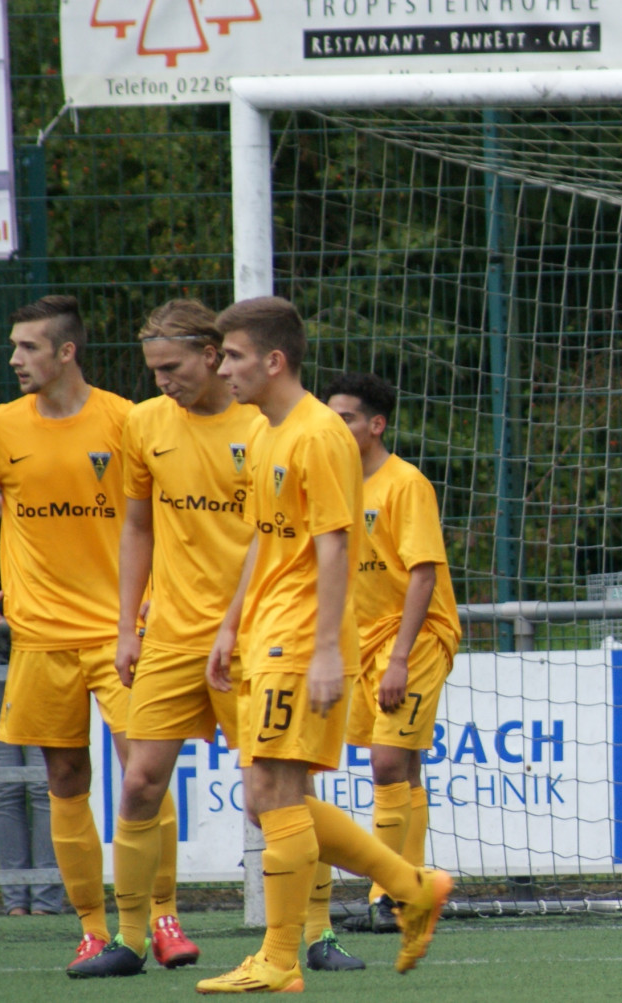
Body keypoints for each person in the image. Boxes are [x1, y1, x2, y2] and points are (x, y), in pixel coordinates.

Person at [68, 299, 366, 978]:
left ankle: (317, 932)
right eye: (153, 369)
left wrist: (266, 629)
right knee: (139, 783)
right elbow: (136, 525)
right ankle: (132, 937)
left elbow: (293, 536)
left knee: (277, 797)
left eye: (173, 366)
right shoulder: (145, 424)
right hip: (173, 633)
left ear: (212, 356)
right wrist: (127, 624)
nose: (161, 380)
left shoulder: (267, 422)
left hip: (260, 634)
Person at [197, 296, 452, 994]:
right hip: (266, 631)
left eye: (234, 356)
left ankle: (281, 957)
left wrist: (329, 651)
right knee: (266, 798)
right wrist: (230, 624)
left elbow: (334, 544)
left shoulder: (318, 435)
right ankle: (410, 886)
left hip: (301, 635)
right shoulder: (266, 432)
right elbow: (264, 539)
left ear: (274, 360)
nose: (224, 369)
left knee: (276, 792)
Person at [0, 295, 188, 971]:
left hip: (120, 631)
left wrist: (154, 604)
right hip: (41, 637)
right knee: (65, 777)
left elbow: (162, 516)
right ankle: (94, 929)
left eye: (29, 347)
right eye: (14, 347)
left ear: (66, 351)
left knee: (143, 775)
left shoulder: (126, 419)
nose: (15, 359)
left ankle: (163, 918)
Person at [325, 373, 461, 933]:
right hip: (363, 640)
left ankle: (388, 894)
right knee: (401, 767)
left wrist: (400, 658)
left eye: (347, 419)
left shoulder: (406, 483)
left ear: (376, 425)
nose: (336, 428)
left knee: (384, 763)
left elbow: (423, 574)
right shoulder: (332, 484)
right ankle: (411, 892)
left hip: (417, 635)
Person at [0, 498, 64, 917]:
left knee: (45, 783)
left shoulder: (45, 526)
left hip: (44, 657)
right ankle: (15, 903)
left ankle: (47, 901)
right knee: (4, 786)